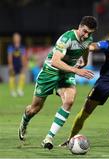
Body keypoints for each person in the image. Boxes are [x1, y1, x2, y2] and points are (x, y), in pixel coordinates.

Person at [18, 16, 98, 150]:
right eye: (84, 31)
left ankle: (48, 138)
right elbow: (55, 61)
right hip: (50, 72)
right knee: (35, 108)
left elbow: (85, 48)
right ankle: (24, 121)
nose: (86, 35)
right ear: (79, 26)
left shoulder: (88, 39)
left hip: (66, 74)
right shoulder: (66, 38)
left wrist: (84, 60)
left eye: (90, 33)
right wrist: (75, 70)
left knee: (69, 101)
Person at [7, 32, 27, 97]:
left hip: (20, 64)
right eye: (15, 38)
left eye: (18, 38)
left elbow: (23, 56)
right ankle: (12, 91)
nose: (17, 39)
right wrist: (10, 65)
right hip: (13, 64)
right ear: (13, 39)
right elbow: (9, 56)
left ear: (20, 39)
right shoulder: (11, 47)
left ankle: (19, 90)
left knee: (23, 75)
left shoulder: (22, 47)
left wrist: (24, 65)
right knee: (12, 77)